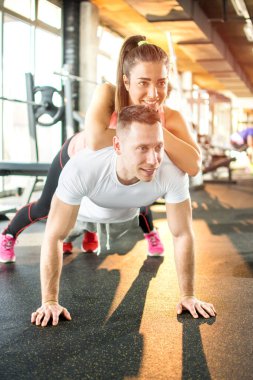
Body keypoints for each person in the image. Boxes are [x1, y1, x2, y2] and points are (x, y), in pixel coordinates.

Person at [0, 34, 201, 263]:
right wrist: (149, 134)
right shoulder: (109, 94)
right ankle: (7, 235)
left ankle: (145, 235)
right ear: (127, 82)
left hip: (124, 168)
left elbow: (193, 165)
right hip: (76, 155)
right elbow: (95, 140)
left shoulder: (172, 118)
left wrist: (157, 129)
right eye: (143, 82)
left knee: (142, 190)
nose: (154, 93)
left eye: (161, 82)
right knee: (45, 207)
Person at [31, 105, 215, 327]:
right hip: (85, 212)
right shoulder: (84, 167)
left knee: (143, 206)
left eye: (158, 147)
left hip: (130, 211)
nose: (154, 159)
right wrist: (49, 301)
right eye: (142, 148)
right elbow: (53, 236)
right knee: (59, 226)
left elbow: (183, 233)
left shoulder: (170, 170)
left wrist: (188, 296)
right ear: (117, 145)